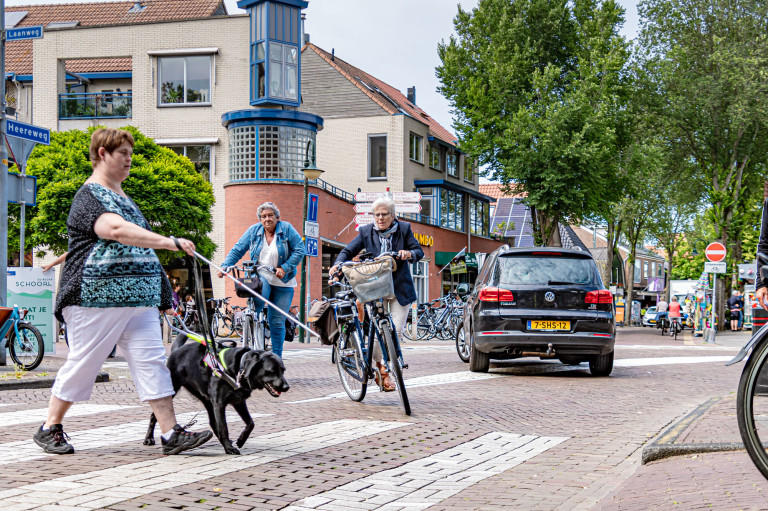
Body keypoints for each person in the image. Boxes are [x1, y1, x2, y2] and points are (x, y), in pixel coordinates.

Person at [33, 128, 212, 456]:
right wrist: (169, 241)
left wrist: (164, 297)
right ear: (102, 154)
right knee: (84, 362)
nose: (129, 159)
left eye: (130, 153)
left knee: (153, 363)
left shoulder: (126, 199)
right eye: (123, 154)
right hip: (95, 298)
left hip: (137, 301)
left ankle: (171, 433)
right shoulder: (89, 196)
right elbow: (114, 230)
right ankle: (50, 427)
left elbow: (143, 252)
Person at [330, 196, 424, 392]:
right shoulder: (366, 232)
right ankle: (382, 368)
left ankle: (388, 366)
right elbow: (347, 251)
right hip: (375, 288)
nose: (380, 218)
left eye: (384, 214)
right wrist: (337, 265)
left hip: (399, 289)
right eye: (376, 214)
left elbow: (418, 251)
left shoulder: (404, 229)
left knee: (395, 332)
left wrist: (409, 254)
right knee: (376, 331)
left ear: (393, 215)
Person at [219, 201, 305, 359]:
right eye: (263, 216)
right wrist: (225, 266)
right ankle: (253, 320)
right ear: (260, 219)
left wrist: (285, 267)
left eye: (270, 215)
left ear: (277, 217)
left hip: (283, 280)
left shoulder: (286, 229)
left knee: (277, 321)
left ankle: (276, 359)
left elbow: (300, 249)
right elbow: (238, 249)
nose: (267, 219)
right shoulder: (254, 231)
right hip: (261, 275)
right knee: (259, 294)